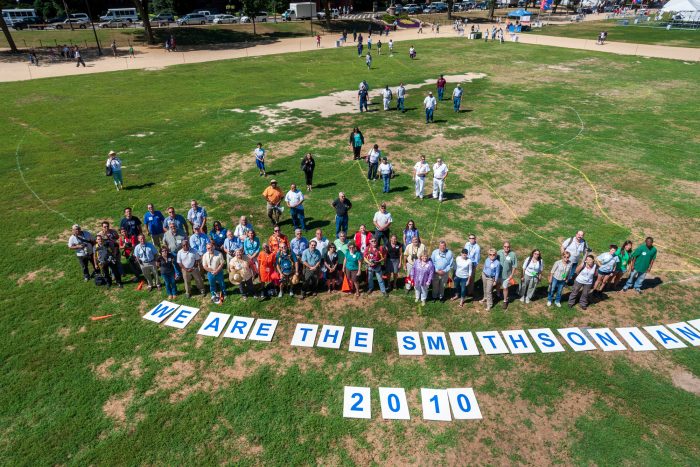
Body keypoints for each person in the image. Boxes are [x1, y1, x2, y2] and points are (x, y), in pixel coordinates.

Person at [497, 242, 517, 309]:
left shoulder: (513, 254)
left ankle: (505, 301)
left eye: (508, 247)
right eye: (505, 246)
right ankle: (498, 294)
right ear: (503, 247)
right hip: (498, 274)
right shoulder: (499, 252)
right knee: (498, 284)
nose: (506, 248)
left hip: (507, 275)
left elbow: (514, 266)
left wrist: (512, 275)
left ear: (510, 247)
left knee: (505, 288)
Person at [464, 234, 481, 298]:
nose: (471, 239)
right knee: (465, 276)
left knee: (471, 278)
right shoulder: (467, 244)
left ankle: (470, 292)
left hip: (472, 263)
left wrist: (474, 266)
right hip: (466, 262)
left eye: (473, 238)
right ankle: (464, 289)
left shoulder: (477, 247)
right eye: (470, 238)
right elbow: (464, 252)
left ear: (475, 239)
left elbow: (477, 258)